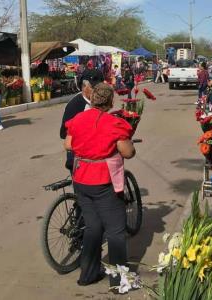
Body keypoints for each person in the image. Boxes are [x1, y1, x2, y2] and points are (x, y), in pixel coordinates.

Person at [64, 83, 135, 289]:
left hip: (81, 179)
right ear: (111, 101)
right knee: (115, 232)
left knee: (93, 227)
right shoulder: (114, 123)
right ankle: (120, 282)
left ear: (93, 98)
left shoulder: (78, 119)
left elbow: (68, 144)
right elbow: (127, 152)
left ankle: (87, 274)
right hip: (104, 181)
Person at [60, 69, 104, 172]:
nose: (98, 91)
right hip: (79, 155)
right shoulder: (75, 105)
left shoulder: (98, 101)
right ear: (84, 87)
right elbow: (64, 133)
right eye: (94, 88)